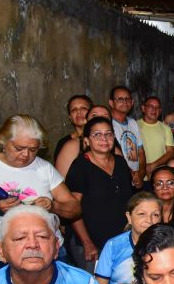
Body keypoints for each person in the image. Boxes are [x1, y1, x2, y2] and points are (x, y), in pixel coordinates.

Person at [0, 114, 80, 277]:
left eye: (33, 149)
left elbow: (75, 208)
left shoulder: (44, 168)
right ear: (4, 142)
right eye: (19, 148)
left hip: (47, 254)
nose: (25, 155)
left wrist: (53, 206)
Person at [66, 115, 135, 270]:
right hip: (92, 244)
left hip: (120, 240)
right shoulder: (80, 167)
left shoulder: (120, 163)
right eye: (97, 134)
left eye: (108, 134)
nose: (104, 138)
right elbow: (72, 209)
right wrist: (87, 243)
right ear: (86, 140)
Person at [96, 192, 162, 284]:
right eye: (142, 214)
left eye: (155, 215)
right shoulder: (114, 246)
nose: (149, 220)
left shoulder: (167, 246)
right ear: (129, 217)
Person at [108, 85, 146, 188]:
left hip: (136, 179)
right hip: (117, 178)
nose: (125, 102)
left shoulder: (133, 122)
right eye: (120, 99)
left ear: (132, 102)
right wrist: (131, 174)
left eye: (128, 99)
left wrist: (141, 174)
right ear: (111, 103)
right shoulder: (107, 124)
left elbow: (141, 152)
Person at [137, 96, 174, 177]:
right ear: (143, 108)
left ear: (160, 111)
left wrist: (153, 165)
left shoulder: (166, 128)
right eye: (151, 106)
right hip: (138, 175)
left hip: (160, 175)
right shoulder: (134, 125)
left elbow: (170, 152)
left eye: (157, 107)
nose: (154, 110)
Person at [54, 94, 91, 176]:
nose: (78, 112)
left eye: (83, 108)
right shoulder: (64, 143)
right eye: (74, 110)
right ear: (70, 117)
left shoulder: (102, 139)